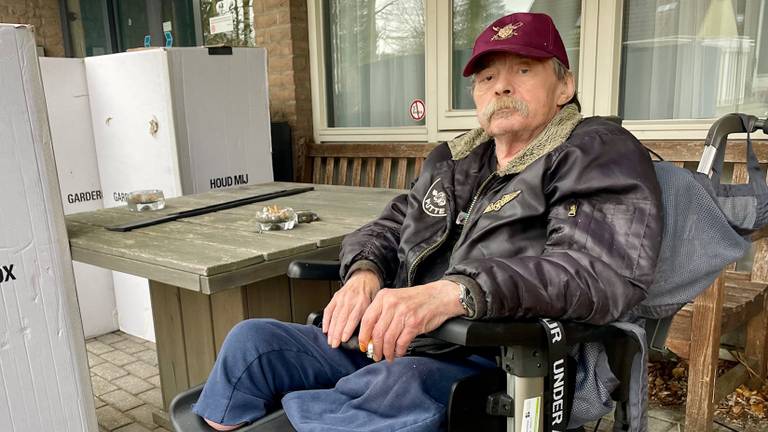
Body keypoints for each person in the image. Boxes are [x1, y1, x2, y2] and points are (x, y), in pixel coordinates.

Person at [193, 12, 663, 432]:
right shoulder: (456, 161)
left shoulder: (596, 152)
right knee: (251, 345)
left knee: (391, 388)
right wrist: (364, 272)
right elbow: (391, 224)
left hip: (488, 357)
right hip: (395, 341)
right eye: (487, 76)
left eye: (523, 69)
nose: (501, 87)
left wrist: (455, 292)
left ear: (564, 86)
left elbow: (598, 271)